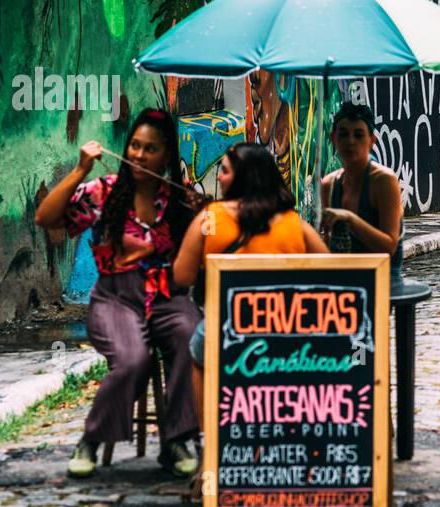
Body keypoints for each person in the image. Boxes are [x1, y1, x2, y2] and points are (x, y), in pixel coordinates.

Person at [34, 108, 202, 479]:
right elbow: (45, 219)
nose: (140, 155)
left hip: (168, 298)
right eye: (135, 146)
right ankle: (90, 441)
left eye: (151, 149)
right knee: (133, 359)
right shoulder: (104, 191)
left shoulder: (178, 200)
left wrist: (199, 218)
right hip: (115, 299)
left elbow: (195, 260)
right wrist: (80, 170)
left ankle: (176, 441)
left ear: (167, 157)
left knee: (191, 338)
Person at [172, 142, 328, 420]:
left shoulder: (210, 220)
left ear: (244, 176)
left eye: (225, 171)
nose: (218, 176)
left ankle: (209, 430)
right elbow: (331, 271)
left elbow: (182, 276)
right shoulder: (294, 223)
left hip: (228, 333)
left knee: (196, 350)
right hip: (289, 333)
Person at [319, 101, 403, 286]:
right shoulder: (329, 184)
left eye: (358, 135)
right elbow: (328, 240)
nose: (350, 142)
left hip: (382, 276)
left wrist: (350, 218)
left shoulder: (383, 181)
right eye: (343, 135)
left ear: (371, 140)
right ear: (333, 139)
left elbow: (389, 246)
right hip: (342, 273)